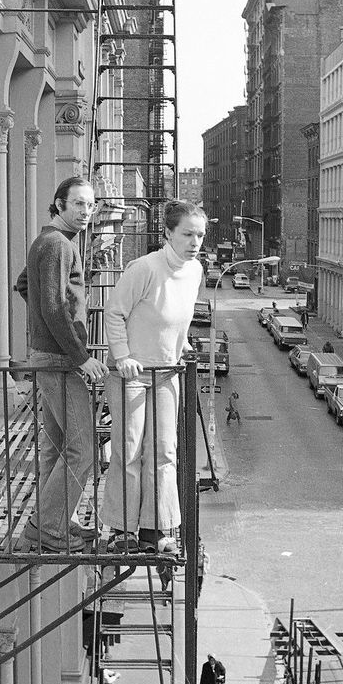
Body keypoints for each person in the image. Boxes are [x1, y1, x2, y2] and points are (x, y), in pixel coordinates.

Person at [102, 200, 206, 554]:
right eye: (187, 234)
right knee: (128, 451)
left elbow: (178, 315)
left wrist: (184, 342)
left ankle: (154, 529)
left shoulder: (194, 272)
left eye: (200, 235)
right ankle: (121, 530)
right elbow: (114, 313)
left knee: (163, 452)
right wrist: (123, 357)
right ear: (168, 233)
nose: (195, 242)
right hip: (131, 374)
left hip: (166, 373)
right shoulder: (143, 268)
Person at [15, 176, 109, 553]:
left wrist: (43, 324)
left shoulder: (51, 242)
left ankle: (55, 520)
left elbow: (24, 286)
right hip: (59, 360)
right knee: (83, 449)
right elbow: (54, 307)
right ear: (59, 204)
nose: (87, 212)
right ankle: (48, 529)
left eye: (91, 205)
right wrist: (81, 357)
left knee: (57, 449)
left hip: (51, 355)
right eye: (79, 205)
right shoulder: (57, 244)